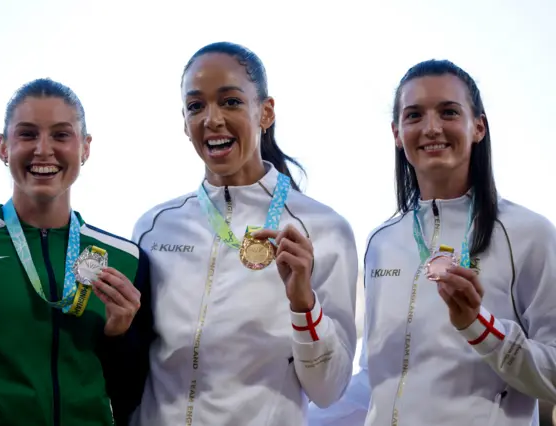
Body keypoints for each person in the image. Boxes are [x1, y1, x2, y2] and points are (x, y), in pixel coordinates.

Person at [308, 59, 556, 426]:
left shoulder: (528, 233)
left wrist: (480, 327)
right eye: (414, 116)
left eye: (449, 112)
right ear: (396, 133)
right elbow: (376, 381)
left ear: (479, 127)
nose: (431, 128)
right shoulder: (382, 241)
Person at [130, 41, 358, 426]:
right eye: (196, 106)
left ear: (265, 112)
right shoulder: (154, 227)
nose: (212, 119)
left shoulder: (323, 229)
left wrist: (304, 304)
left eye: (230, 102)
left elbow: (328, 390)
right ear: (184, 123)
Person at [0, 78, 154, 426]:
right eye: (27, 134)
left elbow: (132, 396)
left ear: (85, 147)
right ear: (3, 146)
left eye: (61, 135)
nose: (43, 150)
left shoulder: (127, 260)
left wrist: (119, 336)